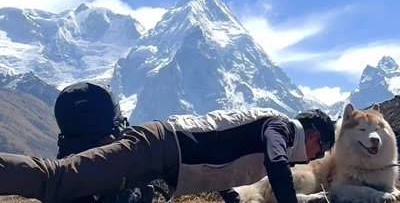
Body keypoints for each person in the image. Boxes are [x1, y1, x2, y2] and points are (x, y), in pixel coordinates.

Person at [0, 91, 335, 203]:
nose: (319, 155)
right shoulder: (281, 127)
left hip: (163, 161)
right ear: (313, 133)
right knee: (58, 179)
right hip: (158, 148)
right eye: (323, 146)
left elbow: (220, 164)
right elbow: (276, 162)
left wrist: (231, 197)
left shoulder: (272, 138)